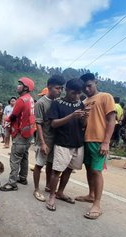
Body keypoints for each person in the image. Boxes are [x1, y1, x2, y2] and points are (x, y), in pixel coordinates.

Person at [75, 73, 116, 220]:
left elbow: (111, 120)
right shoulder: (84, 101)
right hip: (85, 140)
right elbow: (83, 124)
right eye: (84, 86)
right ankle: (91, 195)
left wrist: (106, 142)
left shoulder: (106, 97)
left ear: (96, 82)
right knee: (88, 169)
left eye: (89, 85)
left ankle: (97, 204)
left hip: (99, 140)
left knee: (96, 171)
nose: (87, 89)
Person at [46, 78, 87, 210]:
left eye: (78, 93)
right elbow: (53, 124)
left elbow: (83, 125)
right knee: (56, 171)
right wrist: (71, 116)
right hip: (62, 142)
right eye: (73, 93)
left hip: (78, 143)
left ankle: (60, 192)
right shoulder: (57, 104)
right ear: (67, 90)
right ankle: (52, 196)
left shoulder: (81, 104)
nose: (76, 96)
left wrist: (84, 118)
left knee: (69, 170)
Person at [32, 75, 65, 202]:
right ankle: (36, 189)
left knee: (51, 165)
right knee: (39, 165)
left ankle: (47, 185)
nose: (60, 91)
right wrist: (42, 143)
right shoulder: (41, 103)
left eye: (61, 88)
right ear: (49, 87)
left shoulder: (59, 102)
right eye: (57, 88)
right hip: (44, 140)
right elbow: (38, 123)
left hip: (56, 140)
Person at [0, 77, 36, 191]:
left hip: (20, 134)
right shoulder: (30, 99)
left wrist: (6, 119)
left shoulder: (21, 100)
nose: (17, 86)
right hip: (28, 133)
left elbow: (13, 116)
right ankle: (23, 178)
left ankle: (12, 183)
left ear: (26, 88)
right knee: (24, 156)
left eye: (20, 84)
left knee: (15, 158)